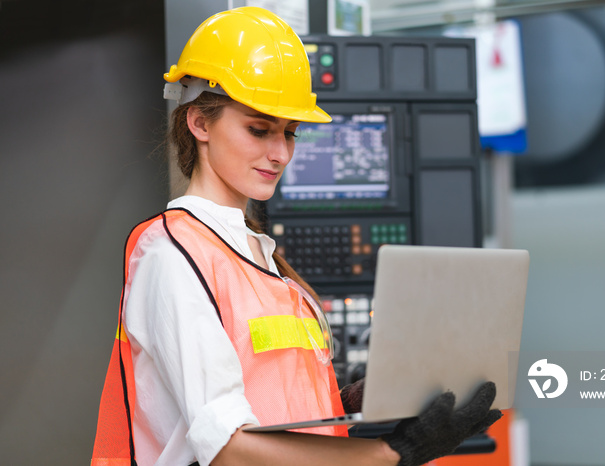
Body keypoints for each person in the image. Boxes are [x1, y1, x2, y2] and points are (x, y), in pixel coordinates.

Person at [91, 7, 502, 466]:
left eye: (290, 133)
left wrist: (355, 402)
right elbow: (229, 447)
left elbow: (267, 399)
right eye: (259, 129)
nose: (280, 153)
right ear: (200, 123)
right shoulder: (171, 252)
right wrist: (393, 454)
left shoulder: (257, 255)